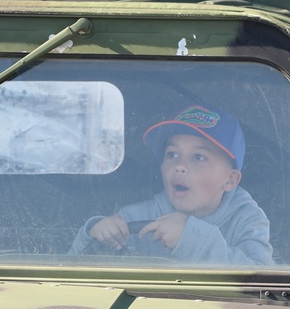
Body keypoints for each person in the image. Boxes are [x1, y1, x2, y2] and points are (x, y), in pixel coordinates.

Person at [69, 105, 273, 264]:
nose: (180, 166)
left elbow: (263, 281)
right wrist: (95, 233)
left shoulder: (247, 220)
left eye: (199, 157)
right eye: (172, 154)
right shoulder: (134, 218)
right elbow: (72, 276)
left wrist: (190, 238)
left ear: (230, 180)